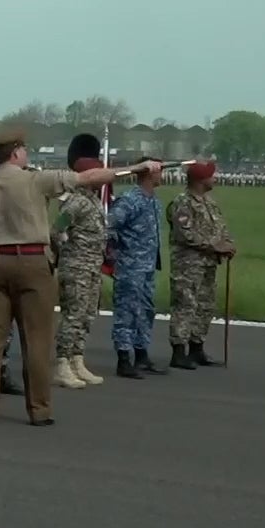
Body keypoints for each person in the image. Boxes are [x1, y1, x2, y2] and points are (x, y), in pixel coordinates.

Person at [0, 131, 155, 426]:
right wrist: (136, 169)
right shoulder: (35, 180)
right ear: (16, 152)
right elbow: (88, 177)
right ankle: (38, 409)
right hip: (30, 260)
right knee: (36, 339)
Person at [50, 134, 109, 389]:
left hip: (92, 266)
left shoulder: (93, 201)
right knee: (73, 316)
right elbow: (56, 230)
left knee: (86, 316)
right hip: (76, 267)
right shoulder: (74, 202)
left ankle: (77, 359)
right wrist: (68, 249)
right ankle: (62, 364)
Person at [167, 161, 235, 370]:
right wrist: (215, 246)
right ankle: (179, 351)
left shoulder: (210, 203)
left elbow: (220, 228)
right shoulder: (183, 203)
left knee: (205, 305)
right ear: (200, 180)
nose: (215, 178)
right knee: (185, 304)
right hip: (188, 264)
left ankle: (197, 347)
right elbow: (185, 234)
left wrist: (227, 244)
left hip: (208, 264)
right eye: (211, 175)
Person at [107, 156, 166, 378]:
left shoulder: (154, 201)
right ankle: (124, 358)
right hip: (130, 266)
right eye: (158, 170)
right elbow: (109, 225)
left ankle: (141, 354)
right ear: (148, 173)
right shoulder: (130, 200)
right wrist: (116, 253)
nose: (162, 174)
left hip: (148, 266)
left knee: (146, 311)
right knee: (127, 312)